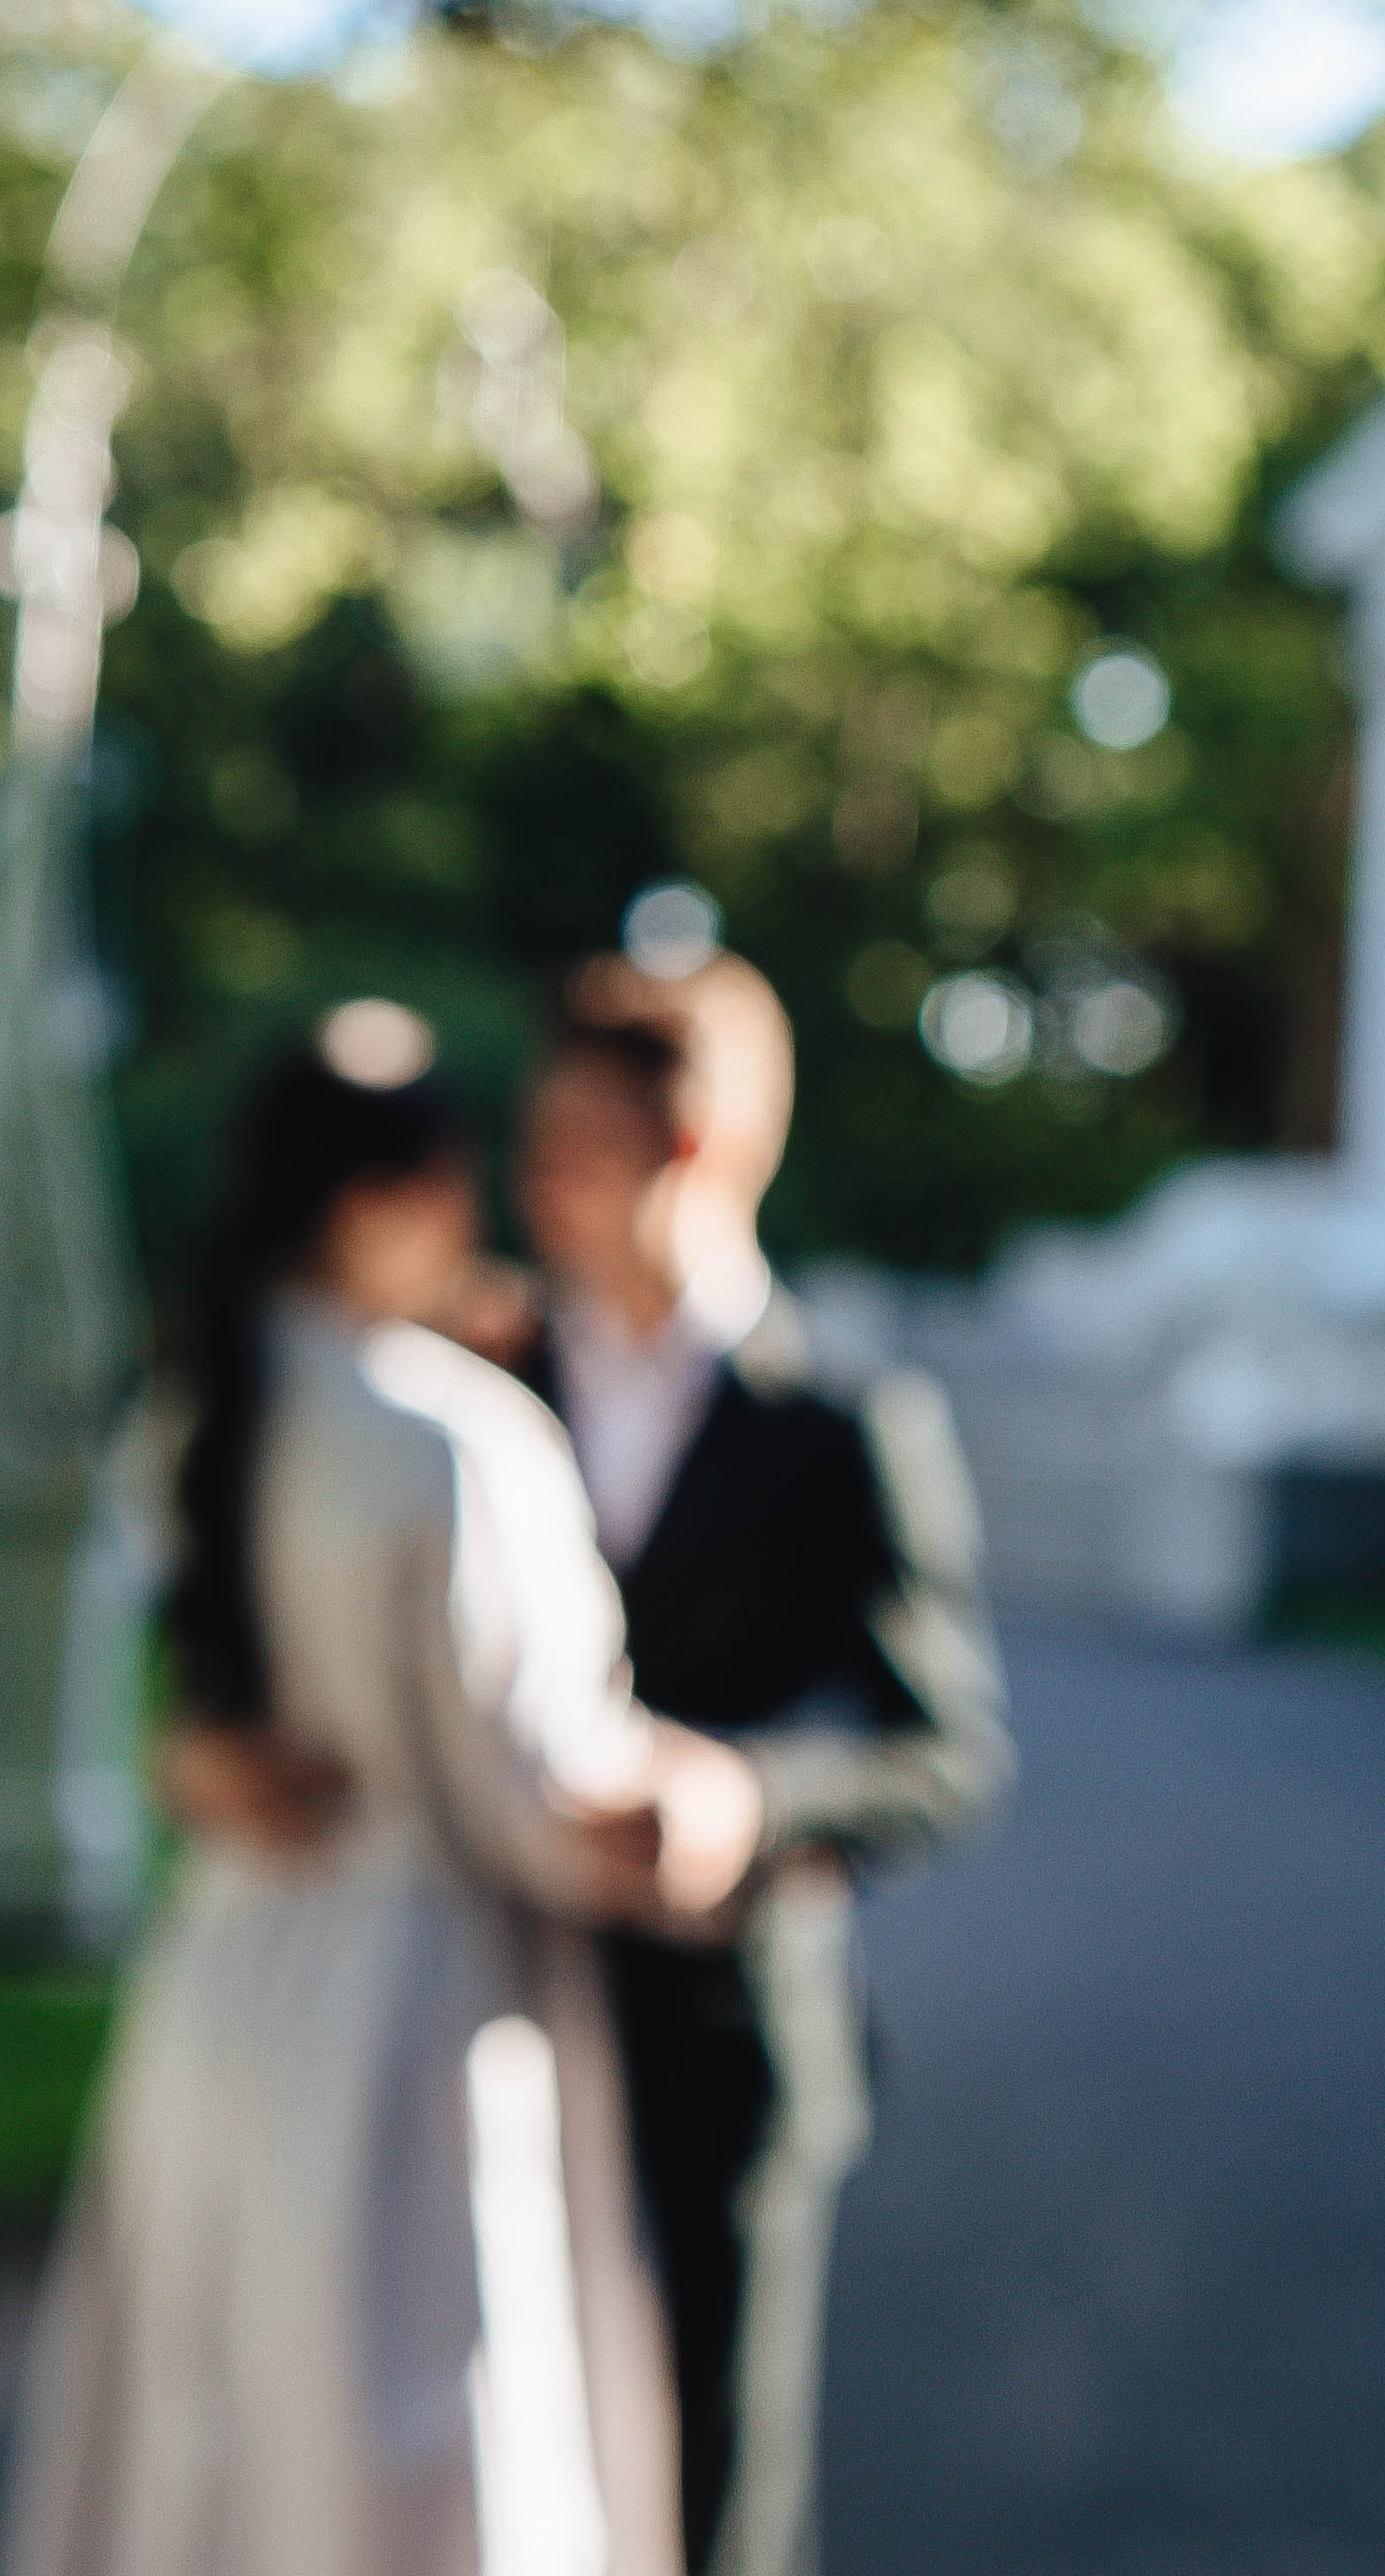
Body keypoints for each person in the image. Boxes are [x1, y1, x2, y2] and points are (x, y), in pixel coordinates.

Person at [0, 1004, 760, 2576]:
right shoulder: (453, 1440)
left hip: (226, 1975)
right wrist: (686, 1804)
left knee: (207, 2432)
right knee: (406, 2452)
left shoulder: (202, 1408)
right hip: (414, 2003)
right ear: (384, 1197)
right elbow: (529, 1791)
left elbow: (196, 1711)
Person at [508, 970, 1012, 2576]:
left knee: (716, 2499)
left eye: (578, 1141)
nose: (538, 1180)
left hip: (729, 2042)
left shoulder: (846, 1420)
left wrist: (749, 1800)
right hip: (496, 2008)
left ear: (697, 1146)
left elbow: (944, 1751)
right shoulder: (489, 1383)